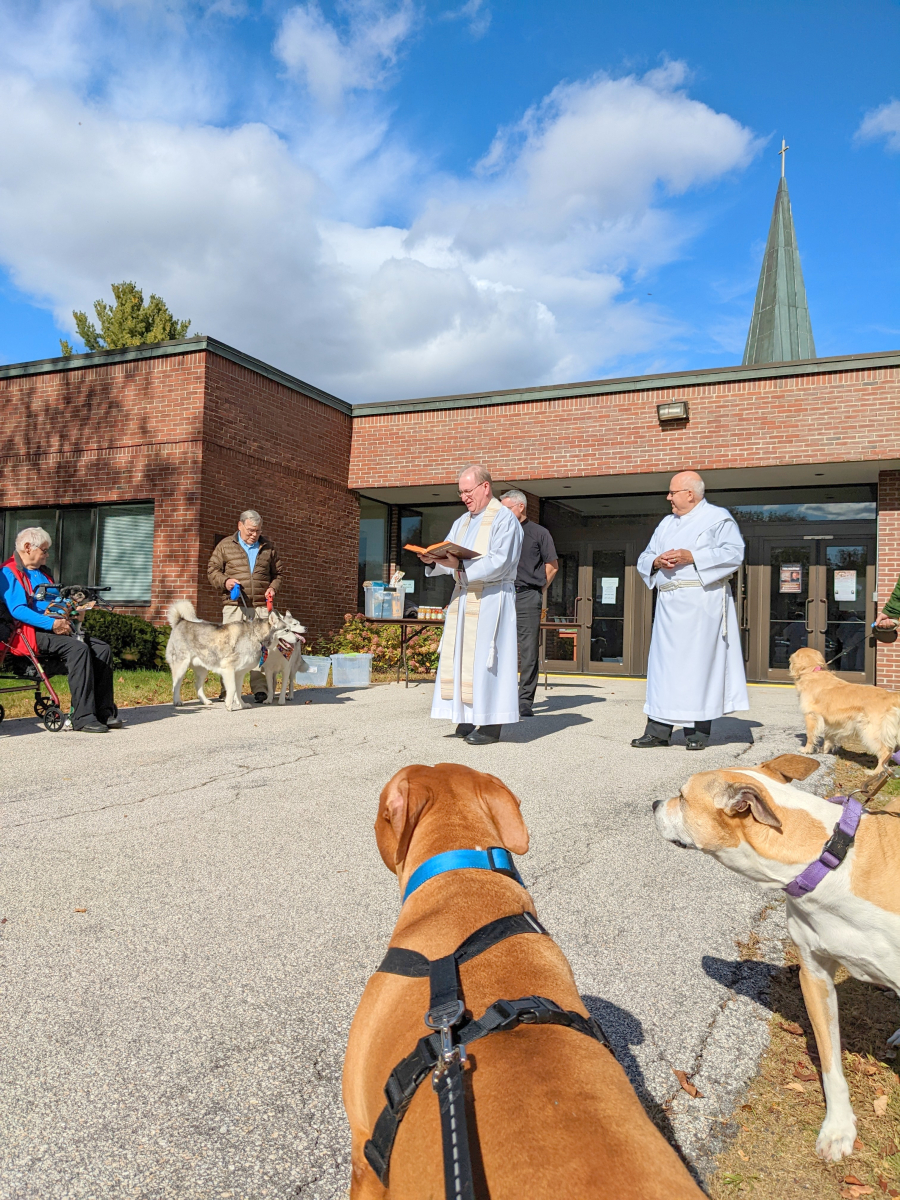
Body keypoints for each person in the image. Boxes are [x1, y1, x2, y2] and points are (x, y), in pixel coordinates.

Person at [632, 471, 749, 750]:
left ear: (690, 494)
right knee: (664, 669)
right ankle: (658, 731)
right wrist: (656, 561)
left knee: (698, 667)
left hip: (702, 603)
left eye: (673, 492)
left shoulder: (717, 519)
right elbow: (645, 555)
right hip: (669, 605)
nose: (668, 497)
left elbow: (734, 554)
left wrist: (692, 556)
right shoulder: (665, 523)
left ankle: (697, 733)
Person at [417, 464, 523, 744]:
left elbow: (500, 561)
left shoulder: (503, 519)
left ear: (485, 487)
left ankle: (491, 725)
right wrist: (433, 559)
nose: (464, 497)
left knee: (486, 660)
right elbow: (450, 554)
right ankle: (466, 716)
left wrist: (460, 564)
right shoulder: (462, 521)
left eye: (468, 491)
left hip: (491, 597)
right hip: (465, 596)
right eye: (460, 492)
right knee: (461, 657)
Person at [0, 527, 119, 733]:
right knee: (78, 649)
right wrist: (52, 624)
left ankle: (104, 711)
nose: (47, 555)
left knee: (102, 649)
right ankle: (82, 717)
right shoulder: (8, 572)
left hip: (55, 627)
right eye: (44, 550)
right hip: (29, 633)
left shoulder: (42, 573)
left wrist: (74, 609)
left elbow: (58, 601)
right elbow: (18, 610)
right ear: (28, 548)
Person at [207, 510, 284, 703]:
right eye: (250, 530)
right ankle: (228, 690)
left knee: (259, 648)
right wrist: (225, 582)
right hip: (234, 605)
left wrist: (273, 588)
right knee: (230, 647)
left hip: (259, 606)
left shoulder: (268, 547)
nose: (254, 534)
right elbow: (212, 570)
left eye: (257, 531)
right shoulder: (225, 546)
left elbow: (279, 575)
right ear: (240, 525)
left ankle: (260, 689)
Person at [500, 489, 558, 718]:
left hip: (526, 596)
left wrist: (538, 590)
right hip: (501, 595)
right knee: (498, 646)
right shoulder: (499, 532)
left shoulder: (538, 533)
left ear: (520, 507)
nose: (502, 514)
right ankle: (500, 696)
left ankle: (524, 700)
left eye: (507, 509)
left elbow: (552, 566)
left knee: (527, 650)